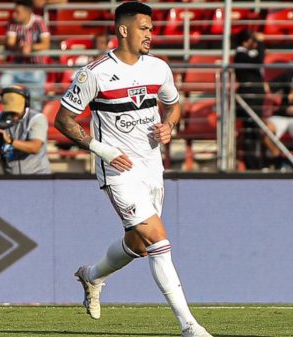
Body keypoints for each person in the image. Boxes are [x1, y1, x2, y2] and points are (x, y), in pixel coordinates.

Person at [54, 2, 212, 337]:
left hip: (152, 167)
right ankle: (189, 326)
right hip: (117, 171)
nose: (150, 34)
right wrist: (102, 149)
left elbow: (174, 105)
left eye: (152, 28)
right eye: (144, 28)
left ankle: (92, 275)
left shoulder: (159, 68)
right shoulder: (94, 73)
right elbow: (64, 120)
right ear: (123, 30)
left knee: (139, 246)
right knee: (158, 240)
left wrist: (169, 125)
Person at [0, 85, 51, 174]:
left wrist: (10, 141)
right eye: (10, 113)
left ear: (26, 104)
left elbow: (35, 147)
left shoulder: (36, 118)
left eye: (16, 113)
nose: (13, 116)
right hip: (10, 178)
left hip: (37, 177)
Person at [0, 0, 51, 112]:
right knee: (4, 82)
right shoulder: (13, 22)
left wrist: (30, 47)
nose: (14, 14)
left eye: (17, 12)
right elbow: (10, 43)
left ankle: (33, 121)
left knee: (35, 102)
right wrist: (20, 47)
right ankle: (12, 113)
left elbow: (46, 44)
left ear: (28, 12)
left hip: (36, 66)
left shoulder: (39, 22)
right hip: (17, 65)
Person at [234, 29, 269, 170]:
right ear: (246, 41)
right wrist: (261, 43)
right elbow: (258, 61)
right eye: (253, 41)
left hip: (255, 99)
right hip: (248, 99)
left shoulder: (245, 54)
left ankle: (258, 163)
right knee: (249, 132)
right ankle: (252, 164)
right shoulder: (240, 55)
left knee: (255, 132)